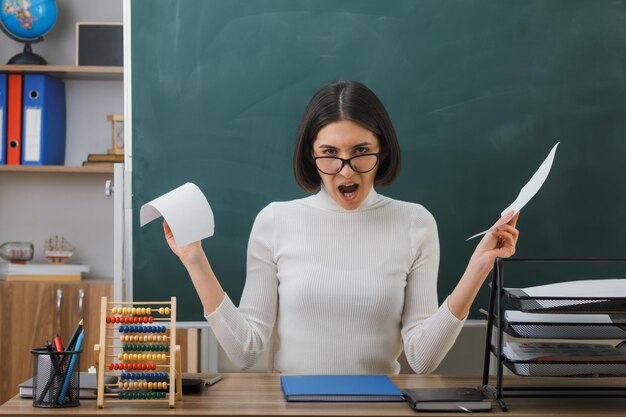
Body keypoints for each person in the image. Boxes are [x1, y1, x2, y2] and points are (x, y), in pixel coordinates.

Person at [163, 80, 519, 374]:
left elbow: (423, 359)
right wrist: (193, 258)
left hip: (380, 406)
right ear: (310, 155)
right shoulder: (274, 221)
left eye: (361, 150)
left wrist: (477, 269)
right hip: (291, 406)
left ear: (383, 151)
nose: (346, 170)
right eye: (330, 153)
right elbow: (245, 350)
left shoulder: (416, 223)